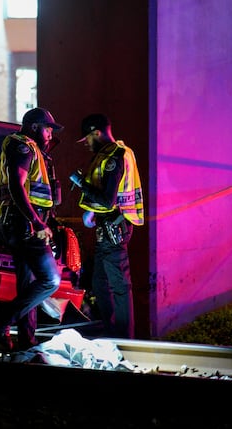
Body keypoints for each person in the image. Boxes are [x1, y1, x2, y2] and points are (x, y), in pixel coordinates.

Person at [0, 107, 64, 351]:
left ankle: (26, 341)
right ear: (34, 127)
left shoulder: (37, 152)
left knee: (28, 283)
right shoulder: (21, 145)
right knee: (50, 280)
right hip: (24, 223)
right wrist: (36, 220)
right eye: (48, 129)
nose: (50, 135)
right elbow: (16, 184)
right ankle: (2, 320)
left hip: (22, 222)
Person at [69, 113, 144, 339]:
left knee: (119, 286)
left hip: (115, 229)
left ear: (96, 133)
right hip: (108, 227)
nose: (86, 145)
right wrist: (91, 212)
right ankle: (112, 333)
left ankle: (124, 339)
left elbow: (107, 200)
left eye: (87, 140)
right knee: (100, 283)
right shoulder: (112, 154)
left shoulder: (115, 157)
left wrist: (80, 182)